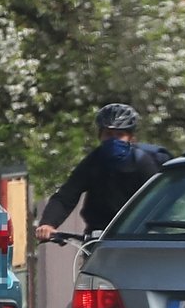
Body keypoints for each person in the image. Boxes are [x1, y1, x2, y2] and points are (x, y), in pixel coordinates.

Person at [35, 103, 164, 241]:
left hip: (135, 236)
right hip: (98, 237)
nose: (113, 140)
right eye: (108, 134)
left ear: (131, 139)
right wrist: (48, 224)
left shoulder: (143, 164)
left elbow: (160, 200)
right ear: (100, 136)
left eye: (119, 135)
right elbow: (66, 196)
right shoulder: (93, 161)